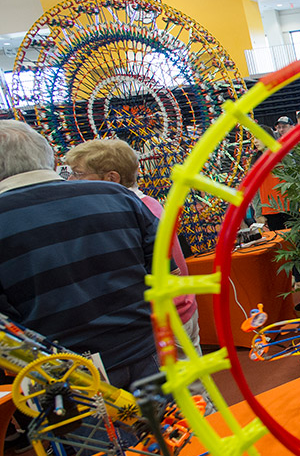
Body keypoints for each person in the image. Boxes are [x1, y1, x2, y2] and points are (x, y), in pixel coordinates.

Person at [0, 121, 159, 391]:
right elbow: (162, 272)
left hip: (64, 377)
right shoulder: (117, 195)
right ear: (46, 155)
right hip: (144, 350)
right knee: (175, 431)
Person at [64, 138, 201, 354]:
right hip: (178, 307)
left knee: (181, 383)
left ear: (112, 177)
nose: (70, 180)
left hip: (163, 316)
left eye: (78, 174)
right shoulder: (148, 203)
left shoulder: (127, 213)